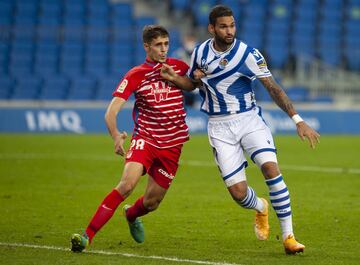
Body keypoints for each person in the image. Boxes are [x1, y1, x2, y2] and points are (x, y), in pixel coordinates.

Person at [160, 5, 320, 255]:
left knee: (270, 168)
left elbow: (273, 87)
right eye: (223, 26)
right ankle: (260, 207)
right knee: (238, 193)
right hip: (219, 126)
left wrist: (297, 119)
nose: (229, 30)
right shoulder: (200, 52)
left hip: (249, 120)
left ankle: (289, 236)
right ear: (212, 28)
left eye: (232, 25)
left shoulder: (249, 54)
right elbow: (192, 84)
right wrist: (173, 78)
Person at [71, 25, 190, 252]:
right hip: (146, 139)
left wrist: (181, 78)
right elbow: (111, 111)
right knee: (126, 185)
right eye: (158, 45)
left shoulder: (179, 67)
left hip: (173, 145)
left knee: (152, 203)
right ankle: (86, 236)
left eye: (166, 44)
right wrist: (116, 135)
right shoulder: (136, 74)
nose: (164, 49)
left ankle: (132, 214)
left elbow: (194, 85)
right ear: (147, 46)